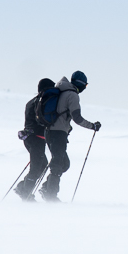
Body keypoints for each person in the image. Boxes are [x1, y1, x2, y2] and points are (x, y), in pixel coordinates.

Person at [39, 70, 101, 202]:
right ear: (82, 84)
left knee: (64, 164)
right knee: (58, 163)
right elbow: (77, 118)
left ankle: (46, 188)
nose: (85, 88)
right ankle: (51, 195)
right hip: (58, 133)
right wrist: (92, 126)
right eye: (86, 85)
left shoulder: (61, 90)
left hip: (49, 132)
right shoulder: (72, 95)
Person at [14, 78, 54, 202]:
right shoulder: (40, 102)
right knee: (37, 168)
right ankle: (25, 193)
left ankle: (22, 187)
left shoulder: (32, 102)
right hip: (36, 139)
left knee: (41, 166)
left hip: (32, 139)